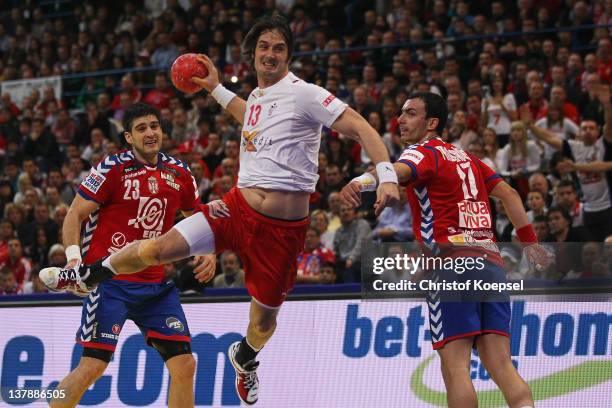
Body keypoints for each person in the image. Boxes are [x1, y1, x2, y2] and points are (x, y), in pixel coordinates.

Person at [41, 15, 399, 406]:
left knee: (263, 324)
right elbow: (252, 117)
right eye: (263, 47)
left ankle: (245, 357)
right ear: (253, 55)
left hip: (283, 230)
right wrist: (214, 88)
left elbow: (362, 127)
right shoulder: (260, 99)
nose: (270, 53)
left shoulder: (306, 94)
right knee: (157, 248)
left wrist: (385, 175)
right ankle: (87, 274)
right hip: (237, 207)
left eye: (278, 47)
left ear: (289, 55)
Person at [341, 92, 550, 408]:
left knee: (455, 369)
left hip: (451, 268)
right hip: (491, 265)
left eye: (410, 113)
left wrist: (360, 182)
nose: (401, 119)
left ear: (431, 123)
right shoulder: (468, 159)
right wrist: (530, 242)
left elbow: (395, 172)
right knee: (502, 366)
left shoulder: (422, 153)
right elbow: (508, 194)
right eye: (401, 112)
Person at [44, 103, 213, 408]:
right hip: (110, 284)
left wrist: (208, 251)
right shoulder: (112, 168)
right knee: (93, 366)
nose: (150, 133)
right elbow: (74, 214)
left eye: (154, 126)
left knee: (185, 366)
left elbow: (197, 218)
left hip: (155, 288)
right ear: (129, 138)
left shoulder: (180, 172)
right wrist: (73, 259)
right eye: (141, 128)